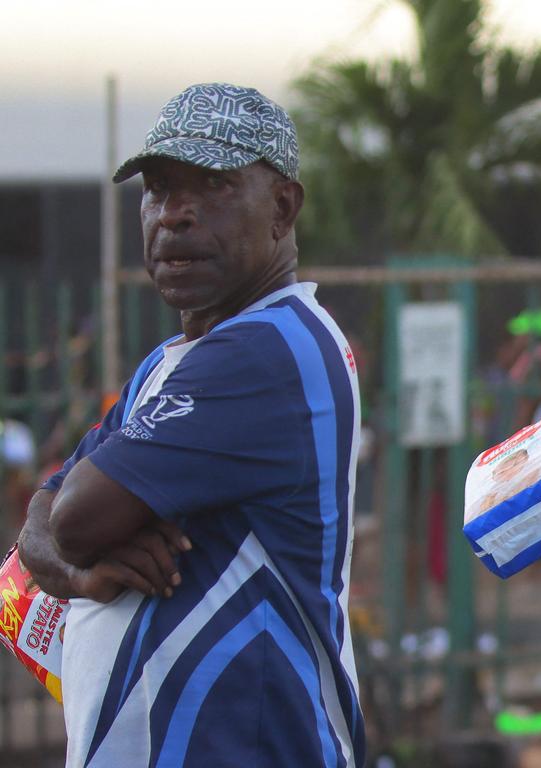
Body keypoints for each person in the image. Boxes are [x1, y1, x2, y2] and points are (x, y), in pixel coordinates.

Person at [16, 83, 365, 767]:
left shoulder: (266, 351)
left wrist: (70, 538)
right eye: (158, 187)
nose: (174, 214)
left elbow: (73, 519)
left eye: (212, 186)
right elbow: (39, 521)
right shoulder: (174, 362)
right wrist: (82, 572)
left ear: (283, 207)